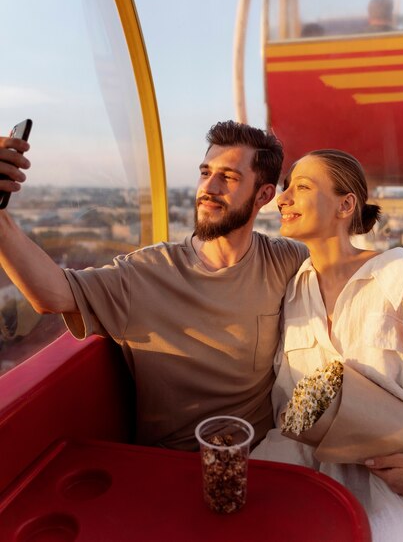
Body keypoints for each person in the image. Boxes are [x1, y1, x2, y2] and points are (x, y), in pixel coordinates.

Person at [0, 121, 307, 451]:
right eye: (205, 173)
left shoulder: (286, 260)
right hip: (172, 466)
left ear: (263, 195)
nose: (209, 187)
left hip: (267, 456)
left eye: (228, 177)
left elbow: (350, 271)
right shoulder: (147, 273)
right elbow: (50, 293)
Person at [251, 149, 403, 540]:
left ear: (346, 205)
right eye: (286, 186)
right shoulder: (292, 290)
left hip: (389, 491)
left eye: (302, 187)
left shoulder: (401, 278)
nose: (283, 198)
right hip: (300, 481)